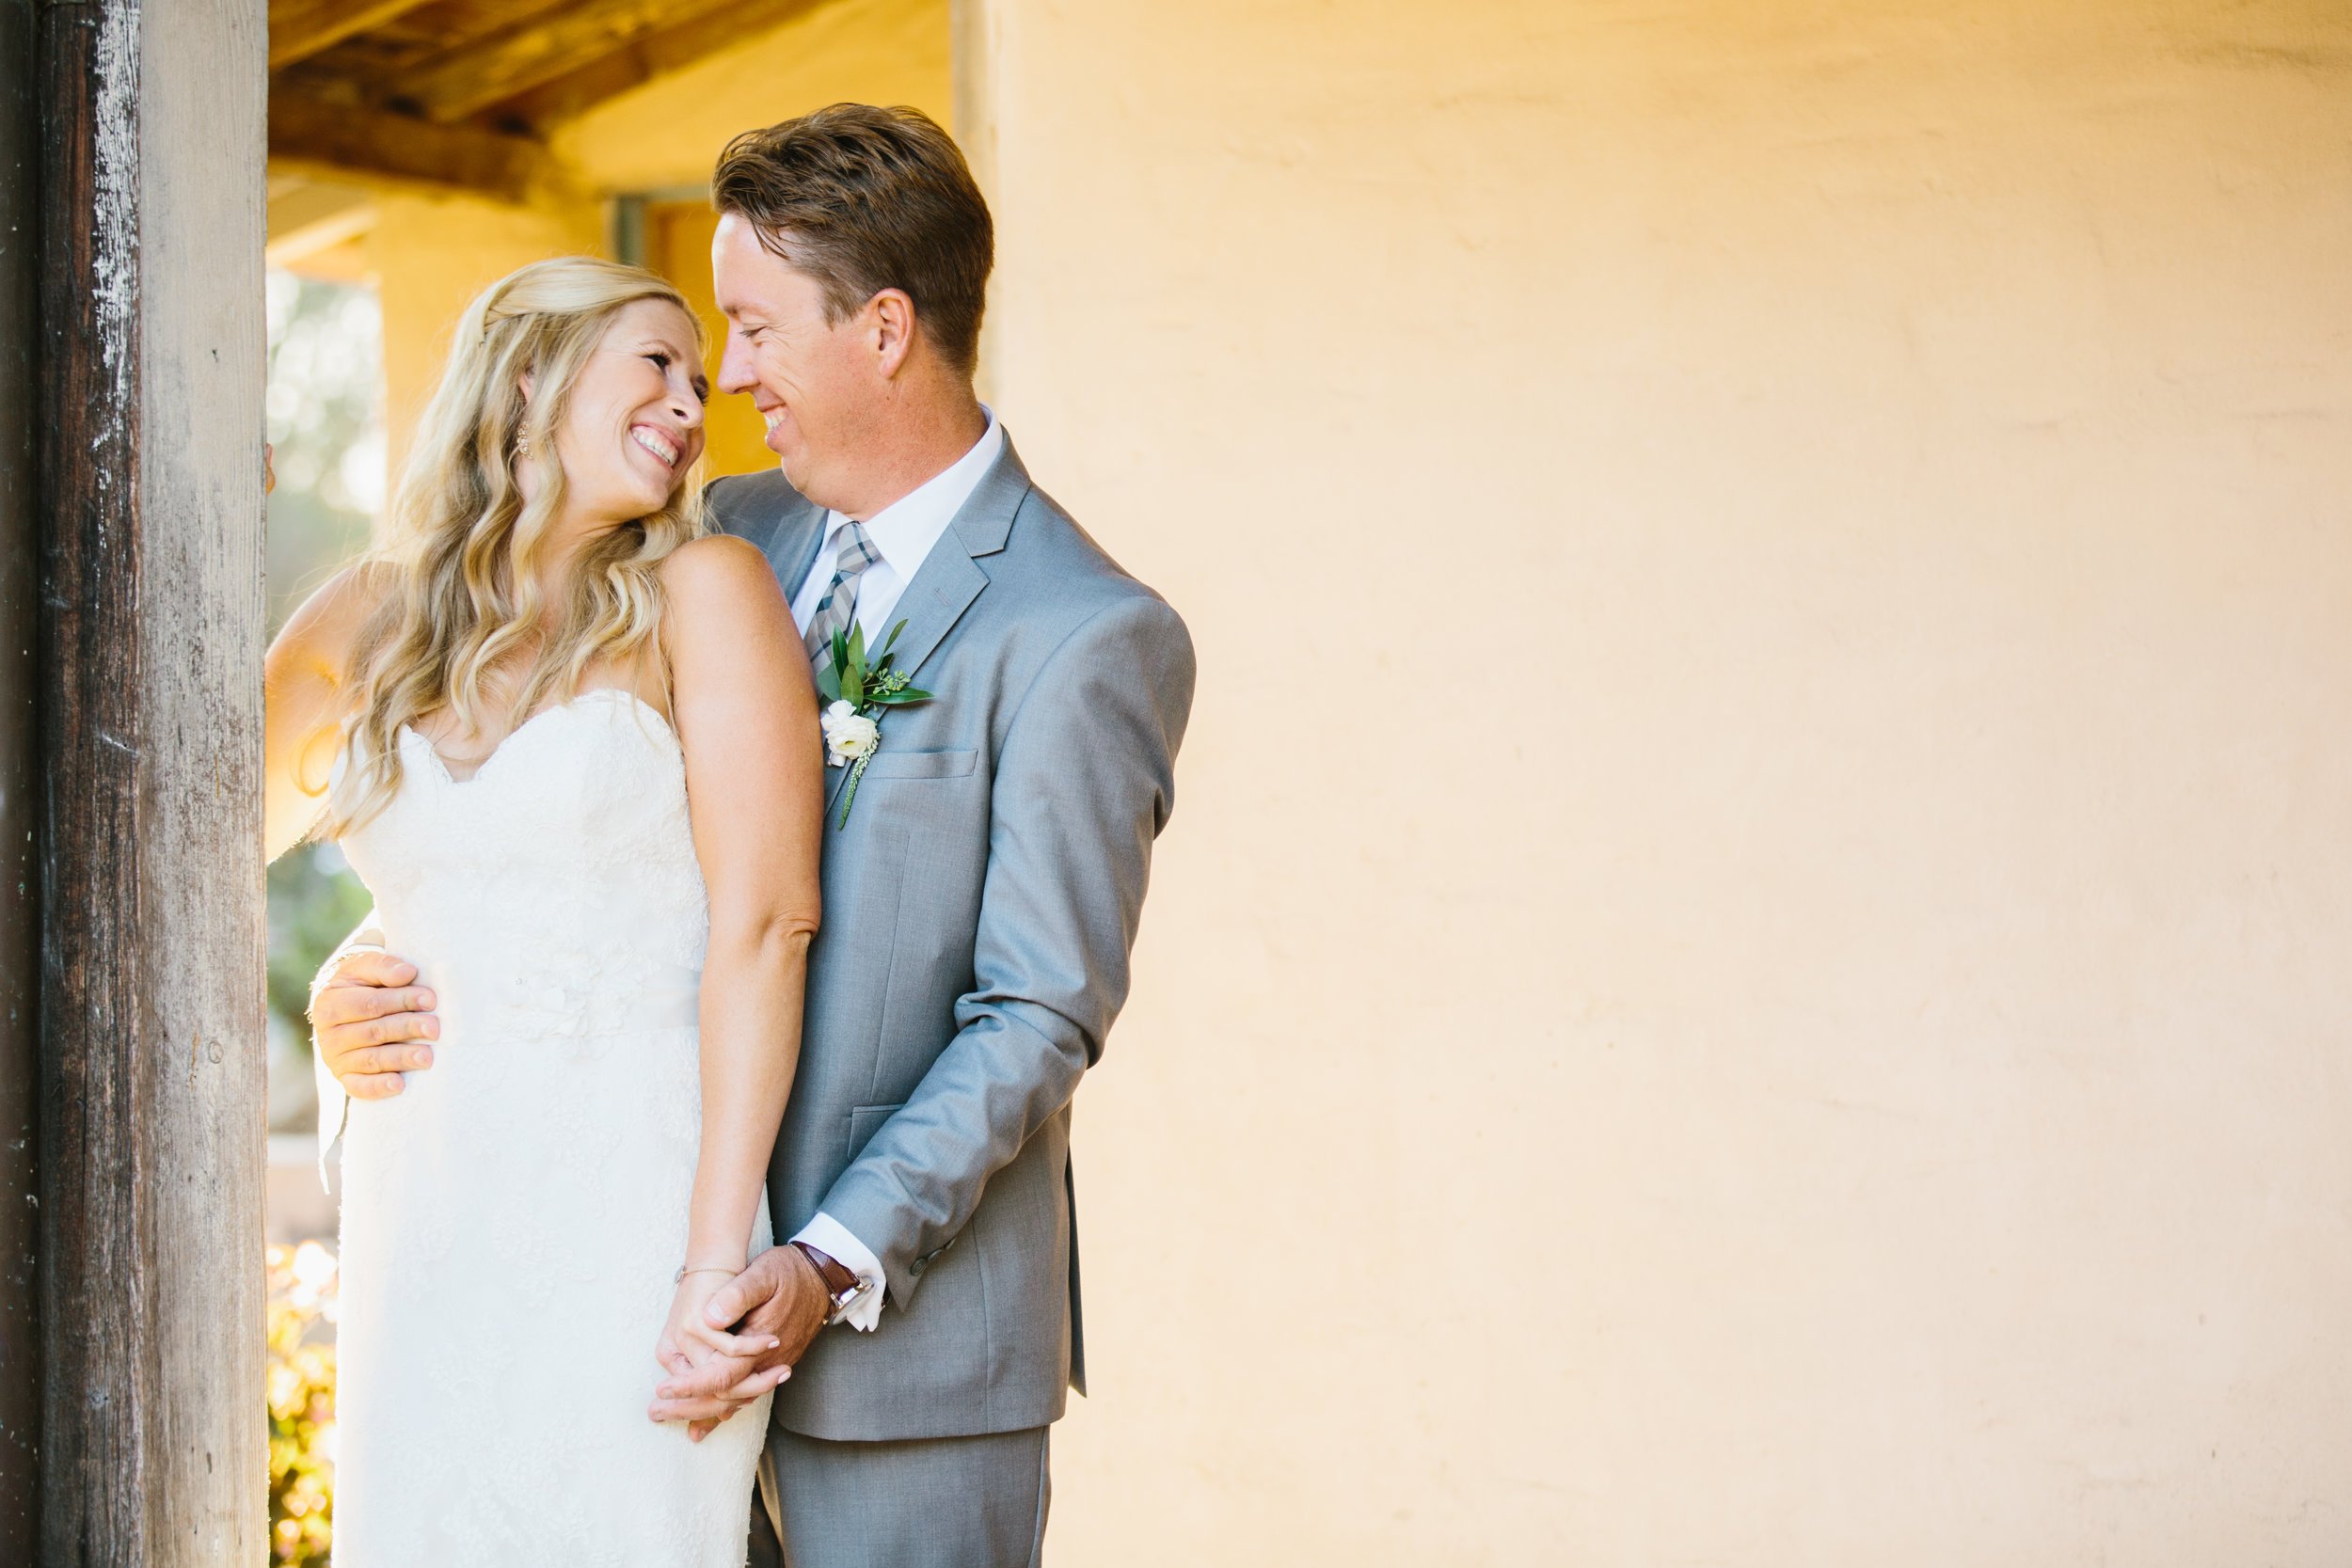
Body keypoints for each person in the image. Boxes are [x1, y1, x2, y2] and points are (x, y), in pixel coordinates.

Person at [311, 103, 1198, 1567]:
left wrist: (821, 1262)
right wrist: (370, 977)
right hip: (617, 1287)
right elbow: (581, 834)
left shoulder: (1083, 633)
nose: (721, 377)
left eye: (755, 327)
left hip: (895, 1360)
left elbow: (1036, 1010)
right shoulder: (701, 536)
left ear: (886, 329)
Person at [266, 257, 821, 1566]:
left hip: (639, 1196)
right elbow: (172, 848)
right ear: (531, 376)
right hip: (433, 1203)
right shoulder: (368, 616)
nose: (693, 401)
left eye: (702, 379)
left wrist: (709, 1265)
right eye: (658, 363)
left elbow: (766, 923)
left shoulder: (706, 593)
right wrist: (327, 1001)